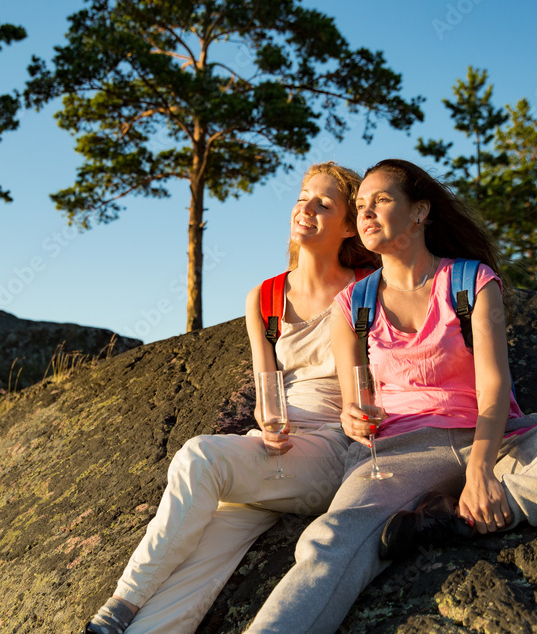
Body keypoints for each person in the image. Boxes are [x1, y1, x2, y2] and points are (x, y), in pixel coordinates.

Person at [246, 159, 537, 633]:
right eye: (360, 205)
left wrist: (480, 471)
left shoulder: (471, 282)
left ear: (419, 212)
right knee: (329, 542)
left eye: (381, 201)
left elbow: (494, 386)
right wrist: (353, 419)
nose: (366, 213)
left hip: (499, 440)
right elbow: (353, 403)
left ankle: (469, 514)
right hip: (397, 454)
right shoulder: (352, 305)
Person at [82, 162, 378, 634]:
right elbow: (267, 388)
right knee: (200, 559)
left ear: (348, 226)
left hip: (328, 453)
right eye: (303, 196)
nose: (307, 208)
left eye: (324, 203)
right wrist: (270, 420)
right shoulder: (264, 296)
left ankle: (121, 602)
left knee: (200, 456)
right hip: (273, 453)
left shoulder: (366, 288)